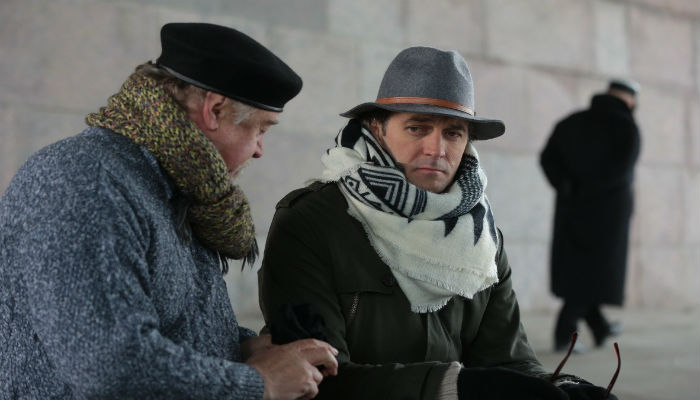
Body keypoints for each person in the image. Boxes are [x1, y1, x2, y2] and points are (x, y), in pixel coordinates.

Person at [0, 22, 338, 400]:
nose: (260, 150)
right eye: (260, 130)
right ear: (214, 110)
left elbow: (168, 325)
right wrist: (261, 383)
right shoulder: (86, 181)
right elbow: (109, 367)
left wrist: (245, 347)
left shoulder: (179, 183)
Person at [258, 47, 618, 399]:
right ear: (377, 129)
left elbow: (508, 362)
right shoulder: (311, 222)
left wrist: (563, 387)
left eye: (453, 133)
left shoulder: (481, 237)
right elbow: (317, 381)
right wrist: (455, 387)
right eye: (417, 128)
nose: (437, 149)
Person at [540, 79, 641, 353]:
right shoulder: (626, 127)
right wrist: (592, 190)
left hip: (572, 209)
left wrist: (567, 186)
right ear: (630, 100)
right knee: (591, 274)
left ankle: (600, 327)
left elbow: (547, 158)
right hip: (607, 216)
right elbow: (620, 171)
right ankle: (565, 335)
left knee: (582, 270)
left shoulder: (571, 123)